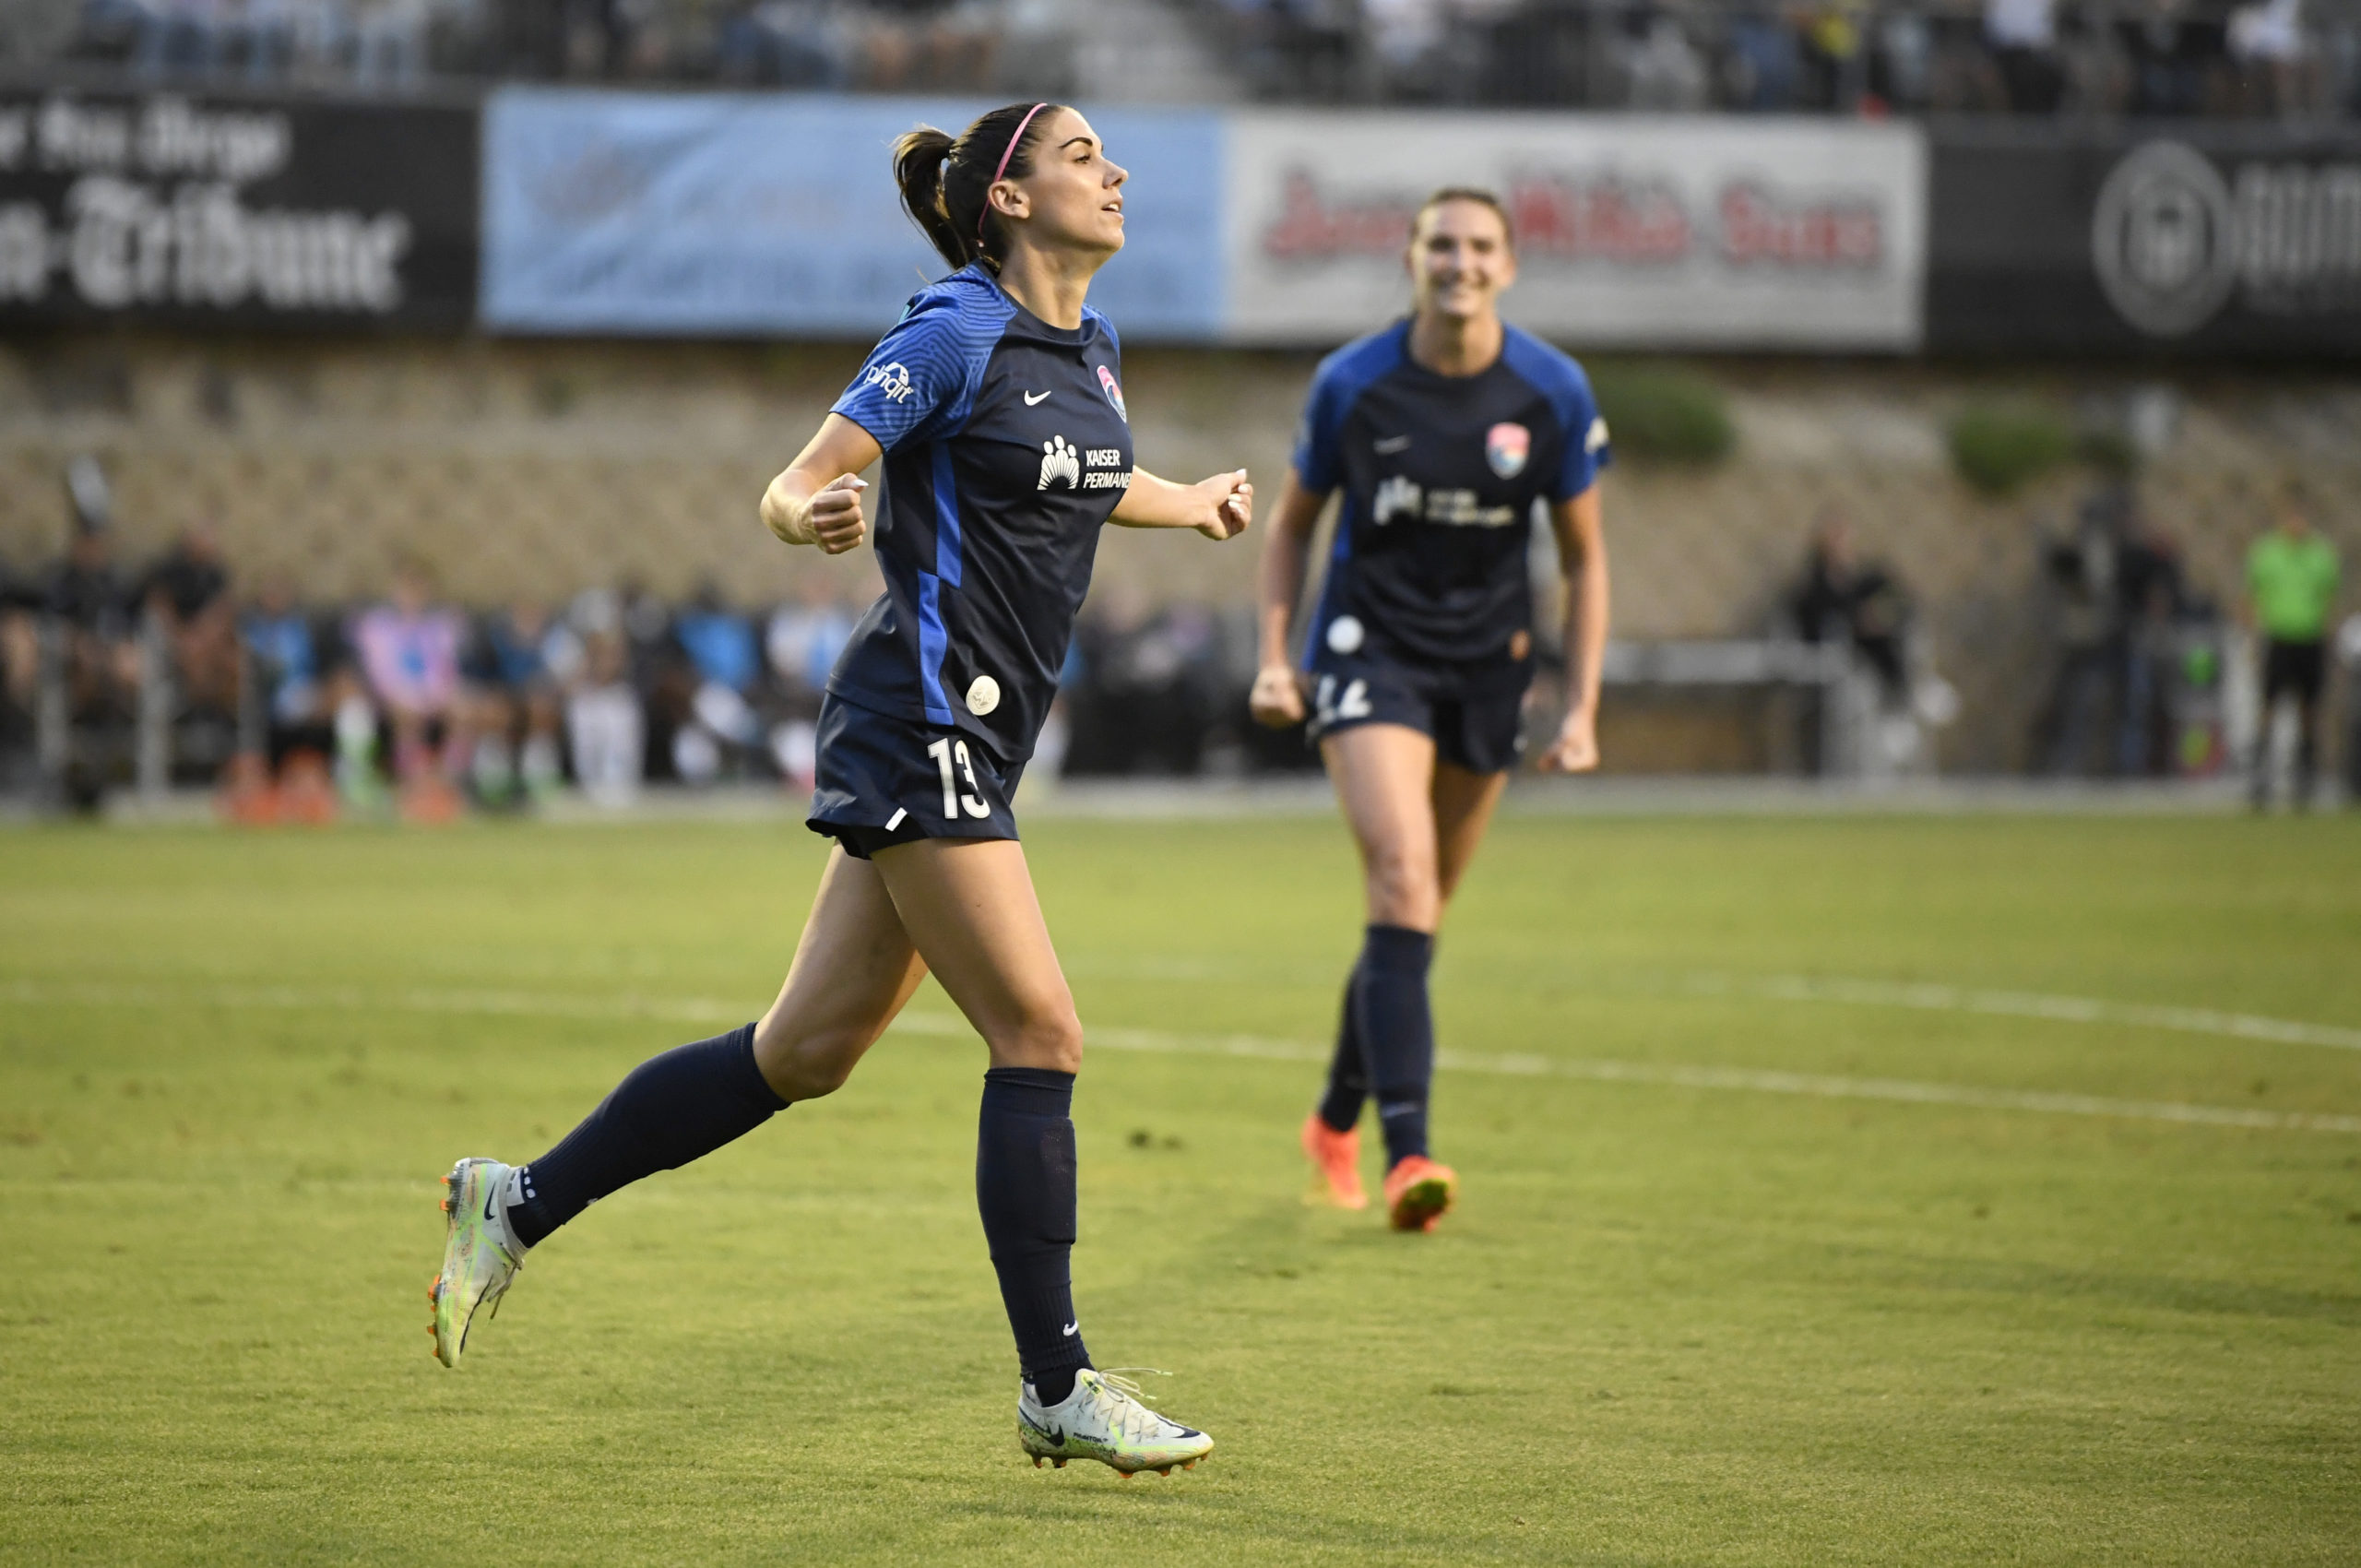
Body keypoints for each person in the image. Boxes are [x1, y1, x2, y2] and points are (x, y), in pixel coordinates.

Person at [427, 101, 1252, 1477]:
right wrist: (803, 515)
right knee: (1041, 1033)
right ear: (1007, 198)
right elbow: (796, 480)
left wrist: (1196, 501)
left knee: (799, 1056)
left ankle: (510, 1206)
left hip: (971, 739)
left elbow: (1083, 478)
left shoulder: (1088, 352)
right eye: (1080, 156)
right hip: (915, 717)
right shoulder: (950, 332)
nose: (1114, 174)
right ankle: (1058, 1386)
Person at [1247, 187, 1610, 1234]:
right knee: (1401, 876)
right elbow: (1290, 531)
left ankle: (1330, 1119)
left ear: (1510, 264)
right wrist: (1278, 657)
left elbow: (1585, 561)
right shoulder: (1352, 384)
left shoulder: (1550, 390)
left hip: (1487, 669)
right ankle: (1409, 1154)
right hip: (1369, 654)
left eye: (1479, 246)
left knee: (1416, 914)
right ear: (1410, 259)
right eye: (1439, 244)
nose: (1459, 261)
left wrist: (1579, 706)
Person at [2244, 490, 2341, 809]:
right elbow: (2254, 597)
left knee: (2308, 709)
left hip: (2309, 639)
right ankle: (2260, 774)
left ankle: (2304, 775)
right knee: (2268, 706)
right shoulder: (2267, 552)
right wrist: (2254, 640)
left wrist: (2328, 638)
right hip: (2278, 636)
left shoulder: (2322, 554)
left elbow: (2330, 600)